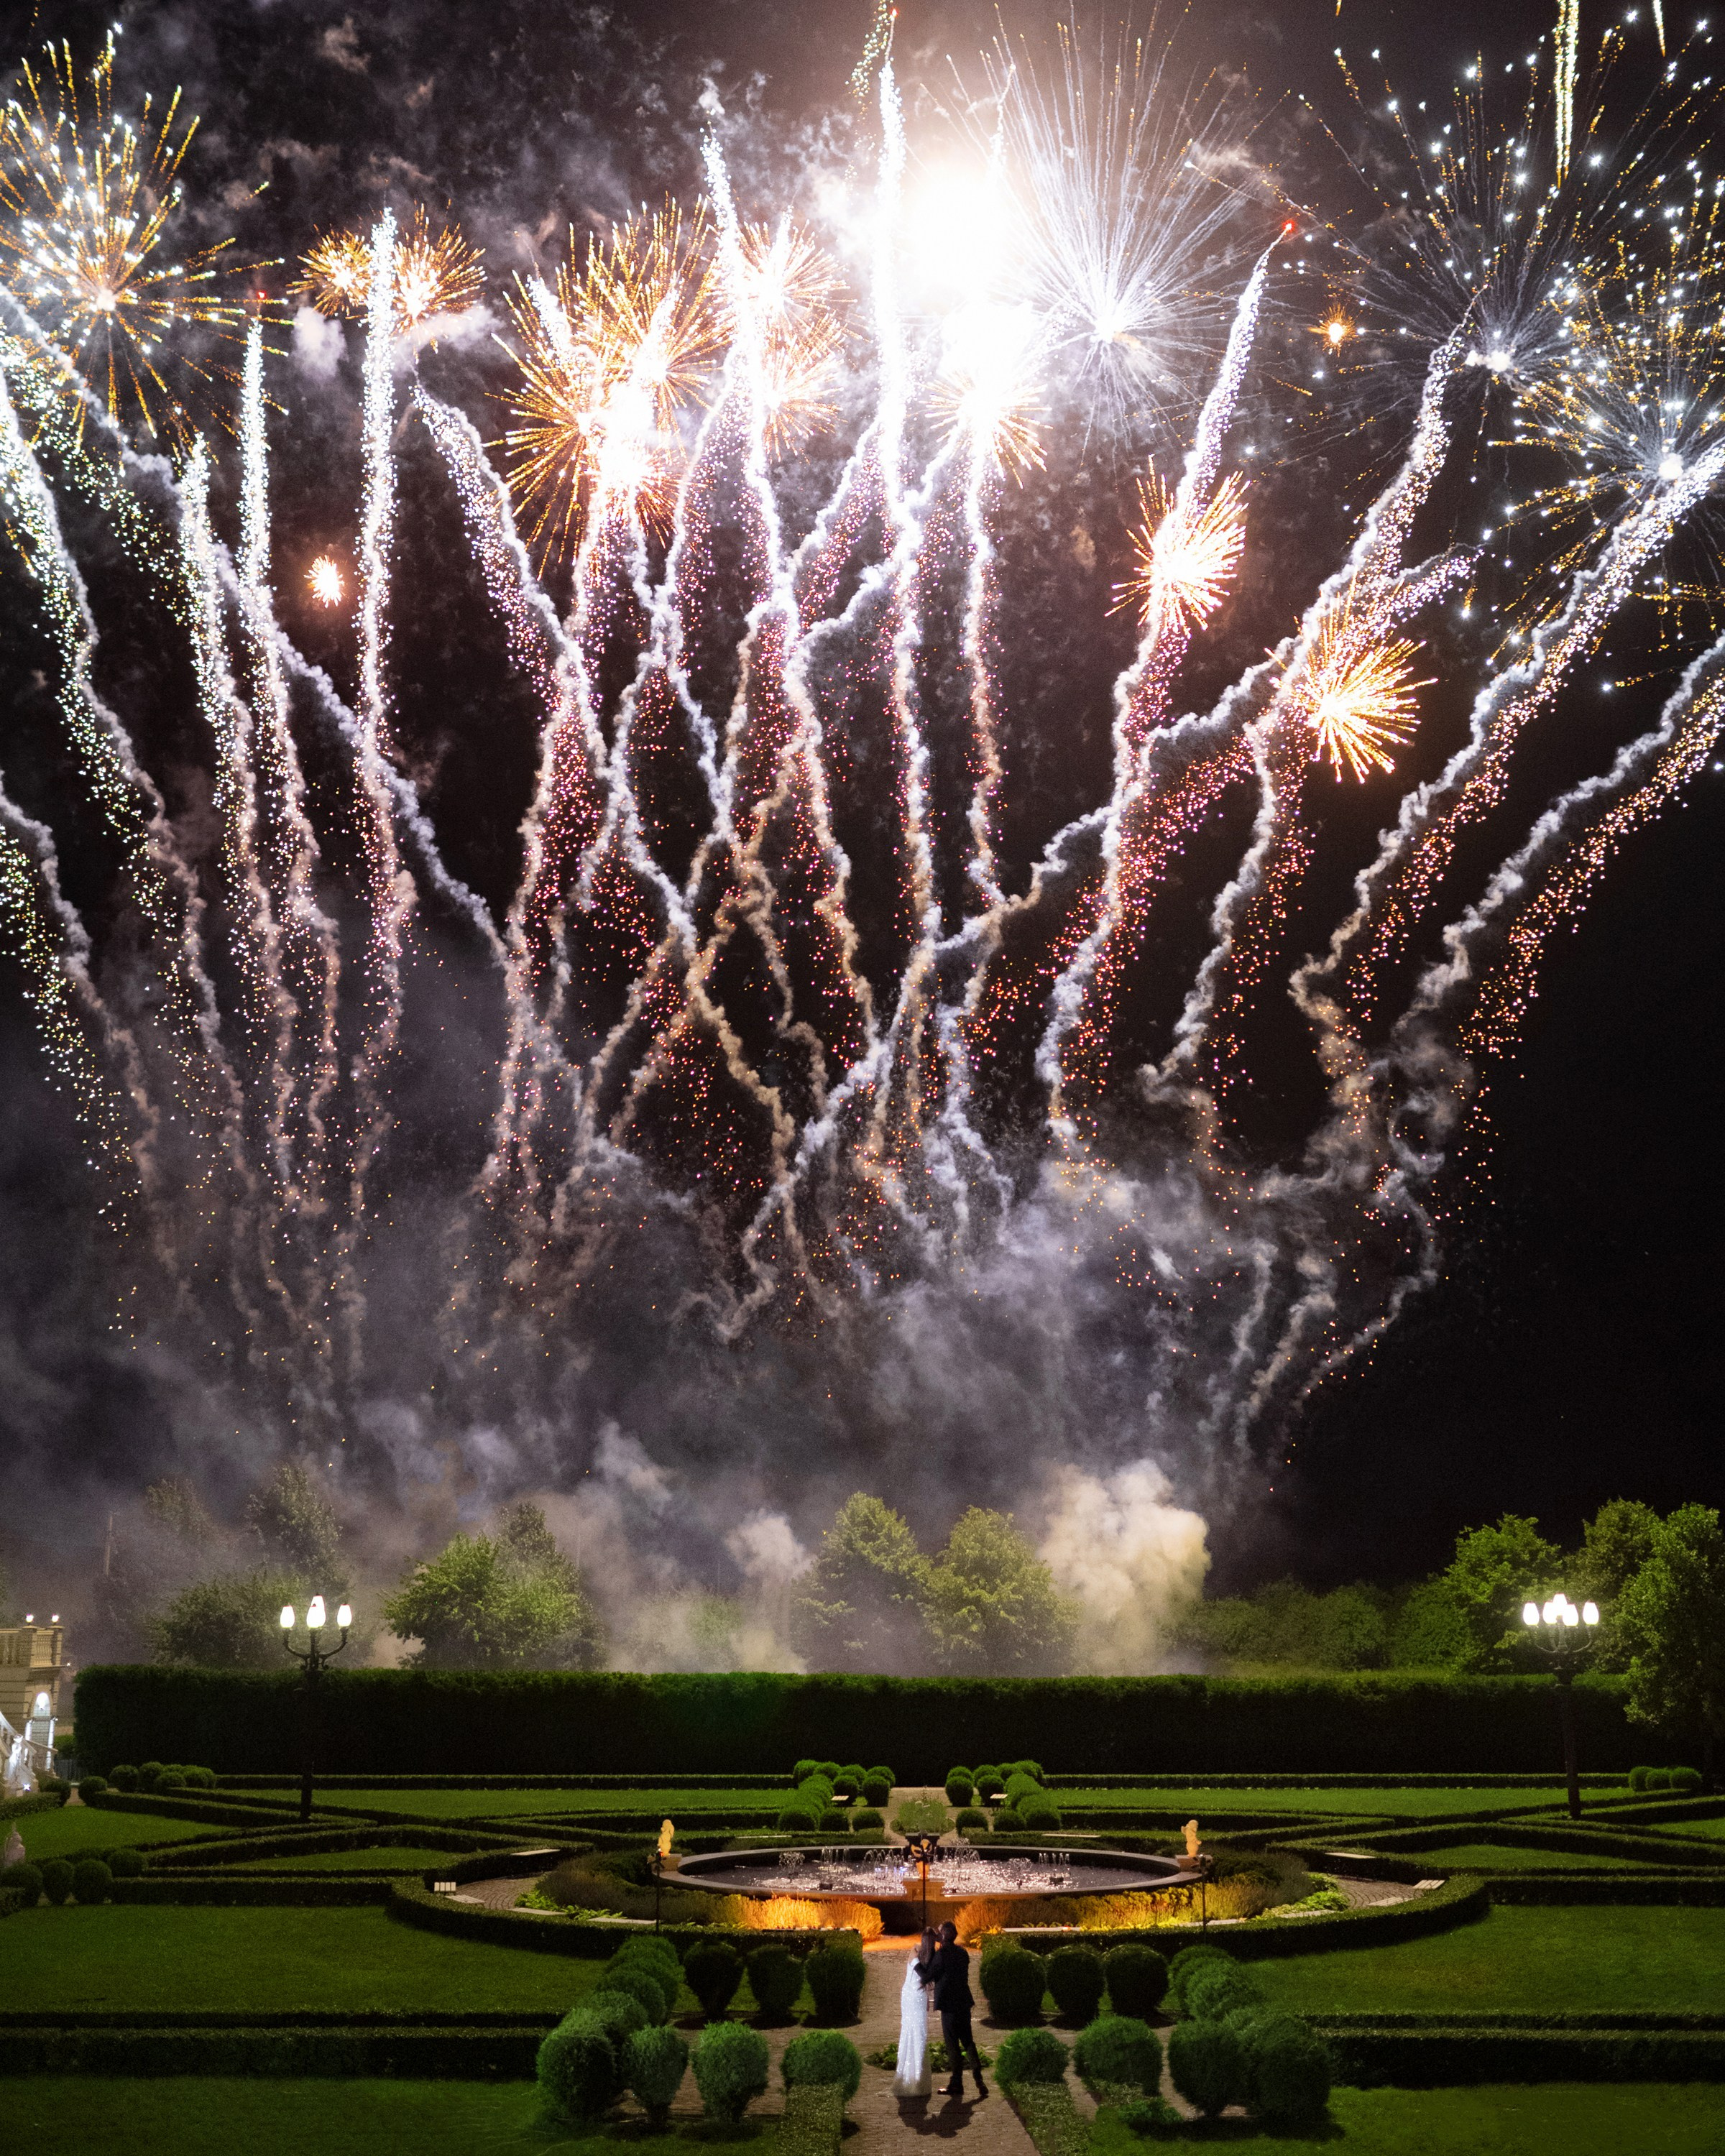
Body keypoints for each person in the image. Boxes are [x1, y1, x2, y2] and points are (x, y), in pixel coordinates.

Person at [929, 1919, 986, 2099]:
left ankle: (956, 2083)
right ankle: (979, 2079)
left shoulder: (943, 1954)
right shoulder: (962, 1953)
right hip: (963, 2003)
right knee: (968, 2041)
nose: (938, 1935)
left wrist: (931, 1951)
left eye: (940, 1933)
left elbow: (931, 1974)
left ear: (945, 1935)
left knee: (952, 2044)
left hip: (949, 2006)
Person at [892, 1927, 938, 2097]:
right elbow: (925, 1976)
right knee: (911, 2032)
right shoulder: (916, 1951)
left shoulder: (928, 1955)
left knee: (919, 2033)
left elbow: (926, 1976)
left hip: (916, 1995)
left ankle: (917, 2077)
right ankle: (912, 2079)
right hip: (912, 1996)